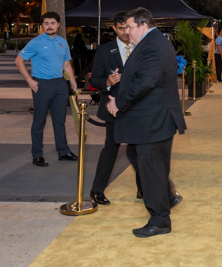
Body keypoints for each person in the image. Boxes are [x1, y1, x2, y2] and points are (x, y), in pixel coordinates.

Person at [106, 8, 186, 238]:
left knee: (152, 170)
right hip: (153, 119)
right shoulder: (154, 42)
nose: (127, 32)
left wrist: (118, 103)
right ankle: (167, 197)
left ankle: (160, 220)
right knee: (147, 162)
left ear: (143, 25)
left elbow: (145, 82)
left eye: (130, 27)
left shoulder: (152, 45)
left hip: (153, 120)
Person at [87, 11, 140, 205]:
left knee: (138, 150)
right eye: (121, 28)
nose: (125, 32)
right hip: (113, 107)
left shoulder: (141, 47)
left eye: (128, 27)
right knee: (111, 148)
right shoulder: (104, 50)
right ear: (114, 28)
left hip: (137, 107)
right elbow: (94, 79)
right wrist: (107, 82)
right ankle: (97, 190)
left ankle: (143, 189)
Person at [15, 12, 79, 167]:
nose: (49, 26)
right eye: (46, 23)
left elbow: (66, 65)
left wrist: (73, 82)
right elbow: (19, 60)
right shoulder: (35, 42)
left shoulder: (62, 42)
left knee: (60, 120)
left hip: (60, 85)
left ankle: (63, 151)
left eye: (52, 23)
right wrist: (29, 80)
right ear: (42, 25)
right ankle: (37, 155)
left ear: (58, 25)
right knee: (39, 121)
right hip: (42, 84)